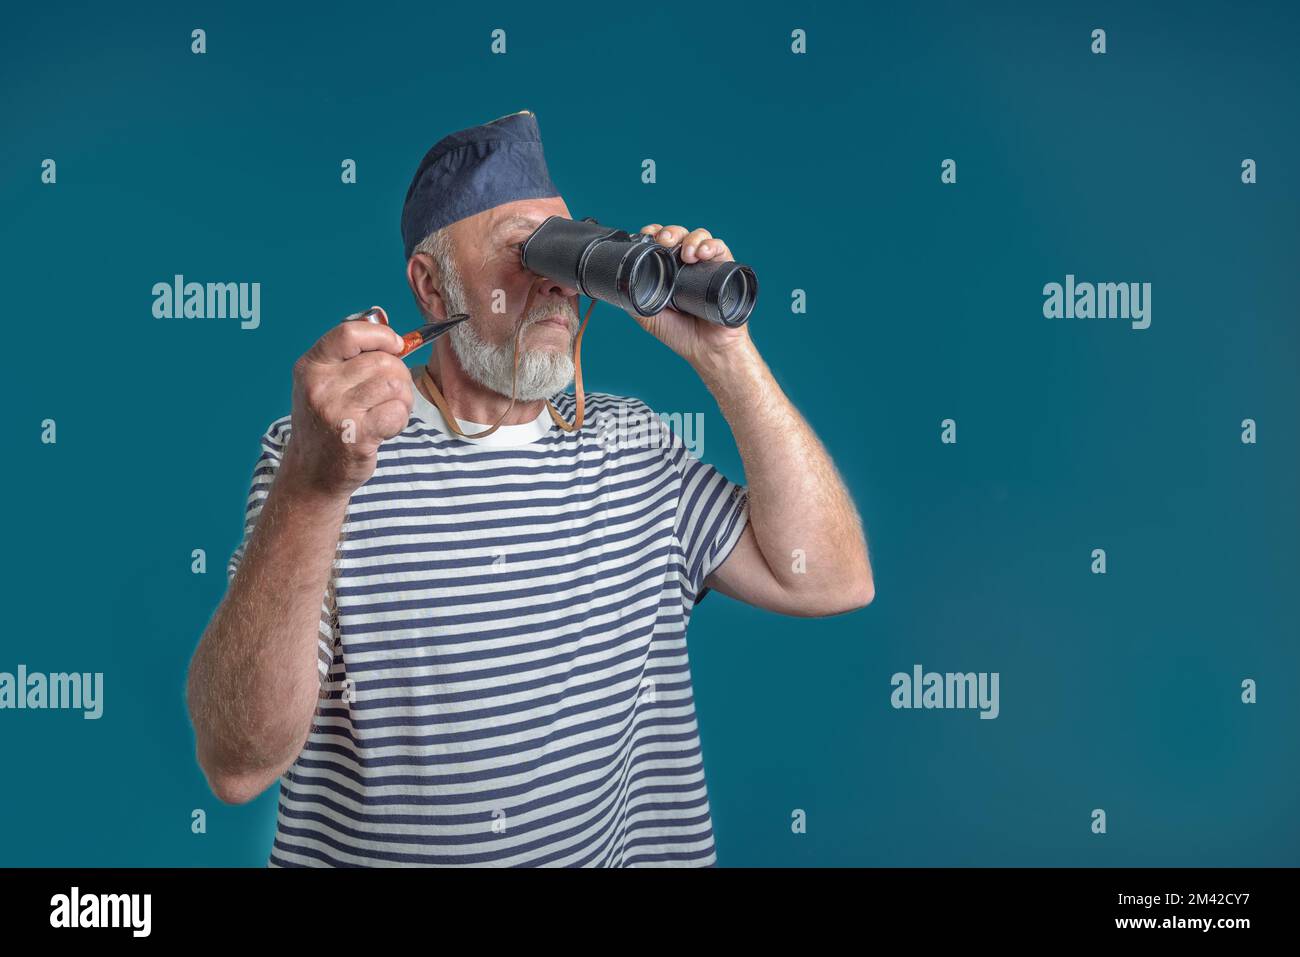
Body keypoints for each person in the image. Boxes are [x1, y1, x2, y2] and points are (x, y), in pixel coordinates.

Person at [186, 109, 874, 867]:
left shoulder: (634, 446)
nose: (554, 281)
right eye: (523, 251)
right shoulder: (326, 457)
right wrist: (312, 493)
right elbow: (238, 762)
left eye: (569, 251)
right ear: (431, 285)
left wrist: (724, 353)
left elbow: (832, 579)